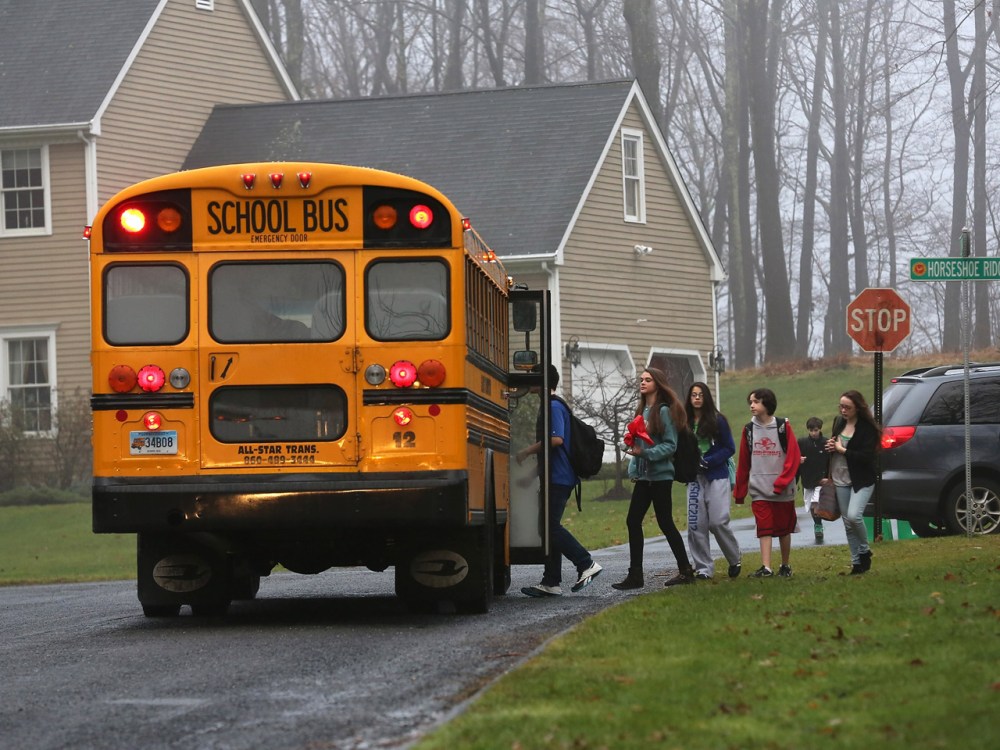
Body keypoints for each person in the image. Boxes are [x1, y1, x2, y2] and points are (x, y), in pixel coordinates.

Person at [516, 364, 602, 597]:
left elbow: (556, 441)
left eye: (532, 376)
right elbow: (550, 453)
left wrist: (526, 451)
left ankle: (586, 563)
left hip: (560, 478)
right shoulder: (550, 406)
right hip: (554, 476)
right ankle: (551, 582)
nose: (528, 380)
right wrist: (530, 476)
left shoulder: (553, 407)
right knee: (547, 528)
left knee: (549, 526)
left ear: (543, 381)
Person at [611, 367, 695, 590]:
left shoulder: (664, 411)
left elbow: (670, 445)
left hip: (660, 477)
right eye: (641, 379)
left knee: (665, 522)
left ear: (658, 383)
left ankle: (686, 570)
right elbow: (639, 444)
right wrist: (633, 467)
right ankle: (636, 576)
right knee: (632, 521)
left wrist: (646, 454)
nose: (642, 382)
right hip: (644, 477)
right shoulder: (642, 410)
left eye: (647, 380)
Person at [733, 388, 801, 578]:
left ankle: (785, 565)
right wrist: (740, 491)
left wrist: (781, 482)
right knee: (764, 526)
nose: (752, 406)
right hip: (759, 489)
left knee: (783, 528)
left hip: (783, 489)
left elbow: (793, 457)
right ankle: (766, 567)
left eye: (756, 402)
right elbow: (744, 463)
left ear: (767, 404)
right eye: (750, 402)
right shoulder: (748, 430)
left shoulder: (782, 427)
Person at [684, 382, 742, 579]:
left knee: (717, 522)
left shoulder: (718, 420)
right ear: (689, 398)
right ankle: (703, 569)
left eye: (700, 394)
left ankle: (734, 558)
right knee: (696, 524)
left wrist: (708, 461)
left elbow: (729, 448)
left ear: (706, 397)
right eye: (693, 395)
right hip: (693, 479)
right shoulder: (684, 422)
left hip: (717, 476)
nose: (697, 398)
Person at [825, 390, 880, 575]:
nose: (843, 410)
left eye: (847, 407)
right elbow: (836, 447)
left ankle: (864, 550)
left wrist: (842, 450)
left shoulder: (867, 428)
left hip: (862, 479)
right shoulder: (839, 423)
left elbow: (866, 457)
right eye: (840, 406)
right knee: (848, 523)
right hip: (840, 478)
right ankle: (856, 563)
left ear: (857, 407)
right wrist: (832, 447)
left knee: (854, 516)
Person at [798, 417, 830, 543]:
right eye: (811, 430)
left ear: (820, 429)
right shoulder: (802, 443)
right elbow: (794, 458)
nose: (813, 433)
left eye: (815, 430)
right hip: (807, 479)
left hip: (821, 479)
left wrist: (828, 477)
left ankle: (818, 525)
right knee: (811, 505)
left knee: (816, 503)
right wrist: (799, 460)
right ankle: (817, 524)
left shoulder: (826, 443)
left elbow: (830, 461)